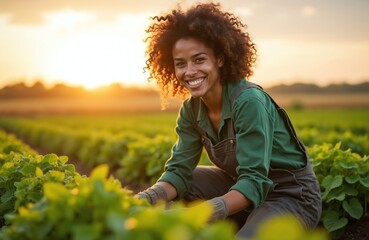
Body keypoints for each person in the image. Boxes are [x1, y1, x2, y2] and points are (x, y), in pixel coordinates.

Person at [136, 2, 322, 238]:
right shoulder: (191, 110)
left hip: (291, 195)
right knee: (188, 179)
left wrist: (202, 212)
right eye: (180, 64)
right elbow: (179, 171)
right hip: (245, 192)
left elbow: (255, 180)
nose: (190, 71)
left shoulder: (248, 101)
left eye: (199, 60)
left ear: (220, 59)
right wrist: (143, 200)